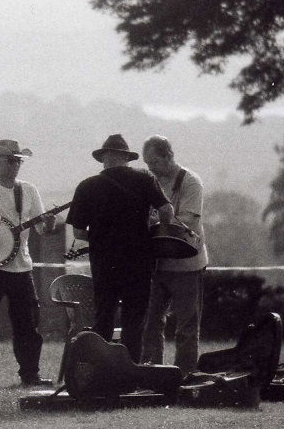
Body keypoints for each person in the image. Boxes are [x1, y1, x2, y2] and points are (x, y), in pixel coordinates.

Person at [65, 134, 174, 362]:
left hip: (104, 262)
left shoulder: (86, 186)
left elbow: (77, 232)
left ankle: (102, 373)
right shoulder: (145, 179)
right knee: (134, 320)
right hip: (139, 261)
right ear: (126, 157)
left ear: (104, 157)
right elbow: (167, 211)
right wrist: (156, 231)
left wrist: (99, 236)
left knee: (103, 317)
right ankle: (131, 370)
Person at [0, 139, 56, 387]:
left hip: (22, 266)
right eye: (10, 161)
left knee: (28, 324)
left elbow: (41, 229)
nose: (15, 166)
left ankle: (30, 374)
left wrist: (50, 223)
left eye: (18, 161)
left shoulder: (29, 190)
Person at [141, 135, 208, 375]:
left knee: (186, 325)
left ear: (169, 156)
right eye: (148, 164)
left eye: (155, 163)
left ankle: (185, 375)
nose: (151, 169)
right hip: (158, 264)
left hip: (187, 264)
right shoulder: (149, 181)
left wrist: (157, 218)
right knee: (150, 321)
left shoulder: (191, 182)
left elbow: (188, 219)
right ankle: (152, 374)